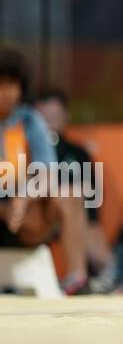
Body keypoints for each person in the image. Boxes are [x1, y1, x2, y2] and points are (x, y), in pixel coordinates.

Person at [34, 86, 114, 294]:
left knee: (84, 218)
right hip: (37, 215)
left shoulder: (78, 153)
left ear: (66, 117)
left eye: (55, 116)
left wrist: (90, 227)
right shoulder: (26, 147)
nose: (49, 124)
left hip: (73, 217)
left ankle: (95, 278)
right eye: (43, 117)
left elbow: (91, 204)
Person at [0, 48, 60, 250]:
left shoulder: (29, 120)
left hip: (22, 210)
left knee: (69, 197)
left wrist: (24, 197)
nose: (4, 92)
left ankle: (75, 278)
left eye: (10, 84)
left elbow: (47, 173)